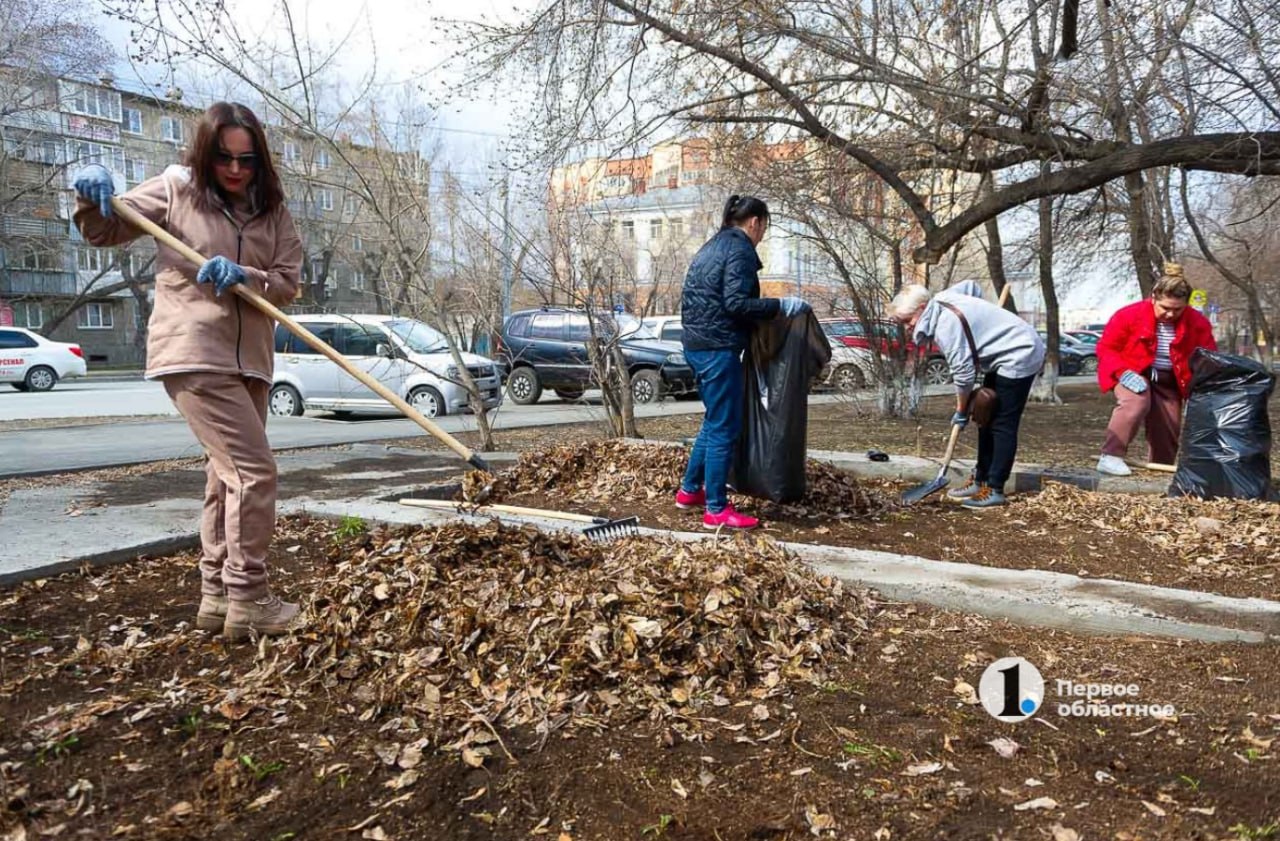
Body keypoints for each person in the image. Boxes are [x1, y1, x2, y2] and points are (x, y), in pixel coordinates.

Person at [72, 102, 303, 640]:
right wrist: (90, 191)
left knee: (227, 477)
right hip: (195, 350)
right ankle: (250, 598)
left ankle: (218, 597)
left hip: (252, 361)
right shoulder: (177, 189)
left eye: (246, 159)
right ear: (205, 153)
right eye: (224, 157)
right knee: (254, 472)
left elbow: (287, 282)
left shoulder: (273, 211)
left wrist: (245, 274)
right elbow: (104, 229)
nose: (235, 169)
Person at [675, 194, 808, 529]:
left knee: (714, 421)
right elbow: (736, 303)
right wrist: (780, 306)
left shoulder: (712, 246)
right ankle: (716, 509)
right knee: (724, 428)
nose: (762, 235)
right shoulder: (740, 250)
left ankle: (689, 491)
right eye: (764, 228)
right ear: (755, 222)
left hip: (697, 344)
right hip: (718, 348)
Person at [889, 281, 1046, 509]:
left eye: (908, 320)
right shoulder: (941, 298)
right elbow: (971, 286)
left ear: (922, 308)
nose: (907, 327)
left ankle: (994, 489)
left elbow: (964, 377)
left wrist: (961, 411)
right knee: (985, 417)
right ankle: (980, 479)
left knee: (1002, 423)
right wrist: (982, 320)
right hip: (1000, 353)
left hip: (1020, 352)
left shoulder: (946, 327)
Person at [1094, 263, 1217, 476]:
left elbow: (1208, 356)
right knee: (1135, 402)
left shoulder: (1197, 323)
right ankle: (1111, 456)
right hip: (1132, 373)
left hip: (1171, 380)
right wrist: (1122, 372)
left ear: (1186, 305)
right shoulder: (1128, 315)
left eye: (1177, 310)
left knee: (1169, 425)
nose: (1170, 314)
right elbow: (1106, 348)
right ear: (1154, 298)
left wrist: (1201, 385)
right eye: (1165, 308)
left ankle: (1161, 469)